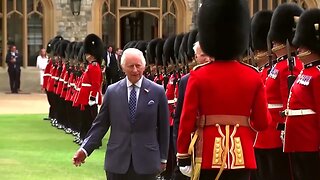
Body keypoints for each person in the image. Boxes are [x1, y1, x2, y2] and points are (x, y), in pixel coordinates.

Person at [176, 0, 270, 179]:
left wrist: (183, 154)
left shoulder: (198, 75)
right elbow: (262, 122)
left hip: (208, 153)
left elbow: (186, 120)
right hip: (243, 154)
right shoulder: (253, 75)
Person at [73, 48, 170, 180]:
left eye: (138, 66)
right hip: (117, 162)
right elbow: (100, 125)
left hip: (147, 161)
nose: (135, 70)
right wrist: (84, 150)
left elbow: (164, 129)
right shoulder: (112, 91)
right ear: (123, 67)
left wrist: (163, 157)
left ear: (144, 66)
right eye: (131, 66)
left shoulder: (157, 91)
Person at [254, 3, 304, 180]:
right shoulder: (276, 67)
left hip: (277, 134)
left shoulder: (290, 67)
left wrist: (285, 130)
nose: (273, 41)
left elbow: (288, 101)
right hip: (264, 133)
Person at [283, 8, 320, 180]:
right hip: (296, 139)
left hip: (310, 140)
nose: (299, 48)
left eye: (303, 45)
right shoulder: (304, 73)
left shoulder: (318, 74)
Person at [173, 41, 213, 180]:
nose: (207, 59)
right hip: (193, 142)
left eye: (209, 55)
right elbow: (179, 118)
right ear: (196, 57)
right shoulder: (186, 80)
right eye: (203, 55)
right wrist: (181, 152)